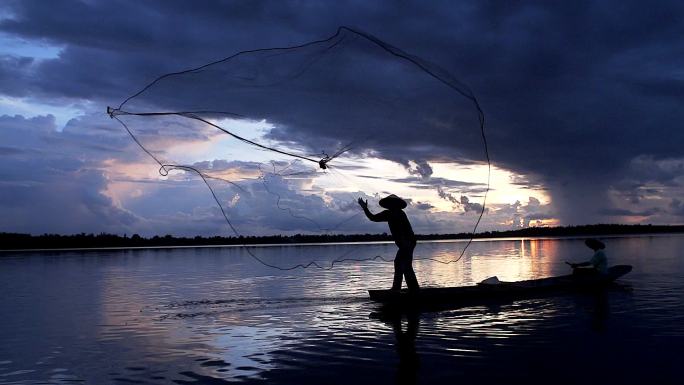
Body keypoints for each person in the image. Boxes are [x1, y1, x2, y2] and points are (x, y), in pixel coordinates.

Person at [358, 194, 420, 291]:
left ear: (396, 204)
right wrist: (365, 208)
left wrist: (405, 243)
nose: (391, 205)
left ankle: (402, 289)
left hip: (408, 243)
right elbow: (373, 218)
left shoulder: (398, 214)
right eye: (390, 204)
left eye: (393, 203)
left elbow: (406, 230)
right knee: (404, 265)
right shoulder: (388, 213)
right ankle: (411, 289)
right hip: (406, 244)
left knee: (402, 264)